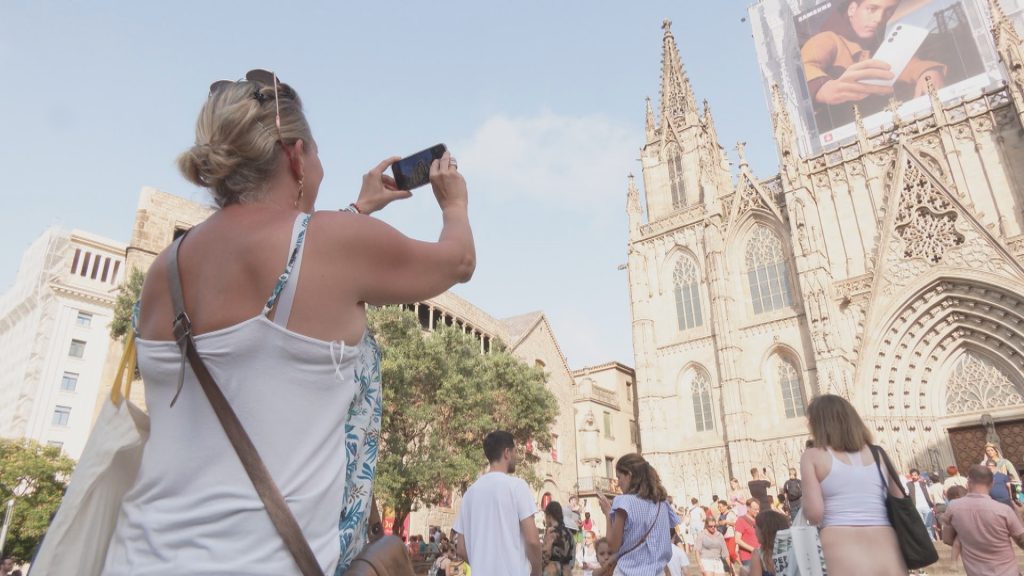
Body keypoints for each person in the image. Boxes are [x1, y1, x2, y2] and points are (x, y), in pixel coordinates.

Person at [101, 70, 475, 575]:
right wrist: (454, 203)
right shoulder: (330, 243)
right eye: (317, 153)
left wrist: (358, 210)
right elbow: (457, 262)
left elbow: (286, 283)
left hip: (137, 556)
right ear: (296, 155)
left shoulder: (163, 272)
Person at [801, 394, 906, 575]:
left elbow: (815, 514)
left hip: (839, 540)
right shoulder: (878, 453)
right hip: (884, 538)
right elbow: (900, 499)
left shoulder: (813, 456)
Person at [800, 0, 945, 108]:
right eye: (871, 9)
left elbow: (908, 65)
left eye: (888, 11)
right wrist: (822, 88)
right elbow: (805, 66)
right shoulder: (828, 39)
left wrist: (928, 71)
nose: (879, 19)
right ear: (852, 9)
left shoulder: (877, 46)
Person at [454, 431, 541, 576]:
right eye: (515, 451)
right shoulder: (517, 486)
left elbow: (461, 549)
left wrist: (480, 566)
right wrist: (537, 571)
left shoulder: (469, 494)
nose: (516, 457)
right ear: (507, 453)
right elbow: (532, 540)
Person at [595, 453, 679, 576]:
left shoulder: (624, 502)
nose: (618, 483)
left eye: (619, 478)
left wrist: (608, 514)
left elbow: (613, 546)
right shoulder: (662, 503)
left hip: (629, 572)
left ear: (629, 475)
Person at [942, 464, 1024, 576]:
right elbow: (1021, 541)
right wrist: (1020, 515)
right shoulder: (1004, 510)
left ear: (968, 482)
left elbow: (947, 539)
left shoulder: (953, 508)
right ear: (992, 484)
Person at [748, 510, 790, 576]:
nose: (755, 530)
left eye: (755, 527)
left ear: (763, 531)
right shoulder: (793, 547)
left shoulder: (758, 554)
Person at [542, 501, 574, 576]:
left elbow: (546, 554)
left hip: (552, 571)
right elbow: (572, 556)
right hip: (567, 571)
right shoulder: (569, 533)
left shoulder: (551, 532)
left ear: (549, 516)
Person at [906, 468, 936, 540]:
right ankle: (926, 539)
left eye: (915, 475)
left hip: (926, 506)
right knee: (921, 524)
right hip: (916, 506)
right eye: (912, 475)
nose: (914, 476)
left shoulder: (923, 483)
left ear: (918, 475)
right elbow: (906, 494)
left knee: (929, 523)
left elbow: (929, 493)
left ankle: (931, 537)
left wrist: (932, 504)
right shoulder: (908, 484)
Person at [734, 498, 761, 571]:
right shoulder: (741, 520)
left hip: (761, 556)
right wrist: (753, 550)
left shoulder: (758, 520)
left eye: (758, 509)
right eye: (755, 509)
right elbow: (737, 540)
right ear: (748, 508)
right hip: (748, 558)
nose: (758, 511)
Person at [715, 499, 738, 565]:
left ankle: (741, 564)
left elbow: (736, 523)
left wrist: (727, 522)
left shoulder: (731, 513)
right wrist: (718, 524)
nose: (720, 508)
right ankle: (732, 571)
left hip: (730, 535)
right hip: (722, 537)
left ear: (725, 506)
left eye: (721, 507)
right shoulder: (719, 515)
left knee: (731, 553)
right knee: (726, 555)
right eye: (718, 507)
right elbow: (716, 524)